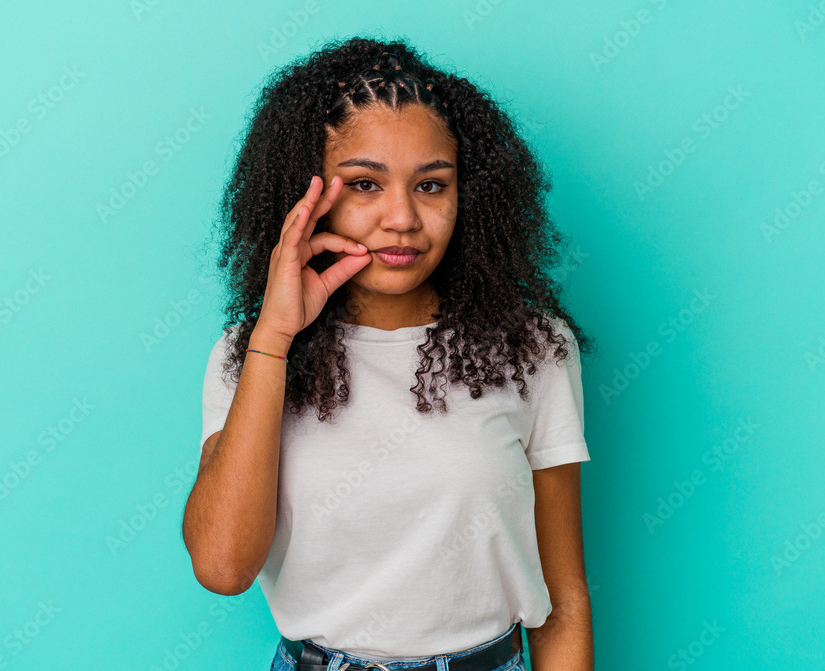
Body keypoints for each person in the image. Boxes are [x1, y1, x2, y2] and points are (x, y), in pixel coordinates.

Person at [182, 35, 597, 671]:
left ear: (468, 197)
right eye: (365, 184)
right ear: (307, 194)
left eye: (431, 185)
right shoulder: (248, 354)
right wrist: (273, 340)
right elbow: (222, 566)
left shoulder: (533, 350)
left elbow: (563, 598)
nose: (402, 217)